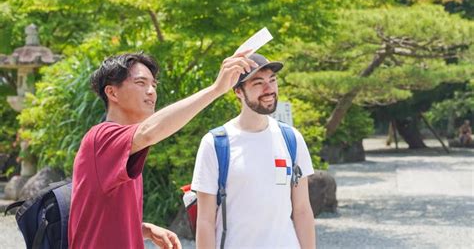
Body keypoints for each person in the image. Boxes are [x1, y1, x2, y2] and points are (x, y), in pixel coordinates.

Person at [68, 51, 256, 249]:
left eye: (154, 85)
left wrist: (142, 229)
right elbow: (149, 132)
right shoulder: (103, 137)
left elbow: (97, 219)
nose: (151, 91)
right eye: (141, 83)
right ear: (112, 93)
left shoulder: (122, 148)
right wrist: (216, 89)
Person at [192, 53, 316, 249]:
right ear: (238, 92)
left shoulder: (291, 138)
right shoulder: (215, 144)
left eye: (272, 80)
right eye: (258, 83)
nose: (269, 89)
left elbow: (302, 210)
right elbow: (205, 220)